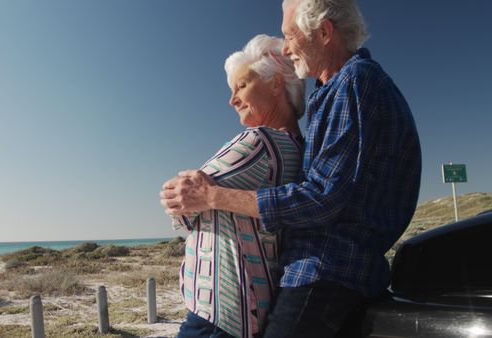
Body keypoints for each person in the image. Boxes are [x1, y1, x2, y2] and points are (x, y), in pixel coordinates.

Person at [160, 0, 422, 337]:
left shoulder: (354, 82)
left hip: (325, 268)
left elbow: (322, 197)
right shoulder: (333, 94)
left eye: (289, 36)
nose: (285, 48)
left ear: (325, 32)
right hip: (333, 270)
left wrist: (211, 195)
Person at [172, 34, 305, 338]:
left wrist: (182, 195)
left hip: (219, 311)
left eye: (242, 86)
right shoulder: (299, 148)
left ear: (276, 83)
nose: (232, 99)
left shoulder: (258, 141)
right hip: (257, 307)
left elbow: (180, 205)